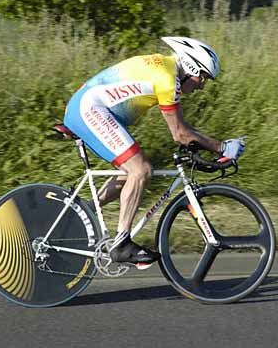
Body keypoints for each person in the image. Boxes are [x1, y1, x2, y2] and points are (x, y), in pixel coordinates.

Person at [63, 37, 245, 269]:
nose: (201, 85)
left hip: (88, 106)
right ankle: (121, 245)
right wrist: (222, 147)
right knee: (140, 170)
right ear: (190, 67)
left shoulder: (165, 67)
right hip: (89, 109)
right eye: (203, 77)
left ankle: (84, 214)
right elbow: (179, 133)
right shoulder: (168, 79)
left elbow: (181, 132)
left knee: (130, 172)